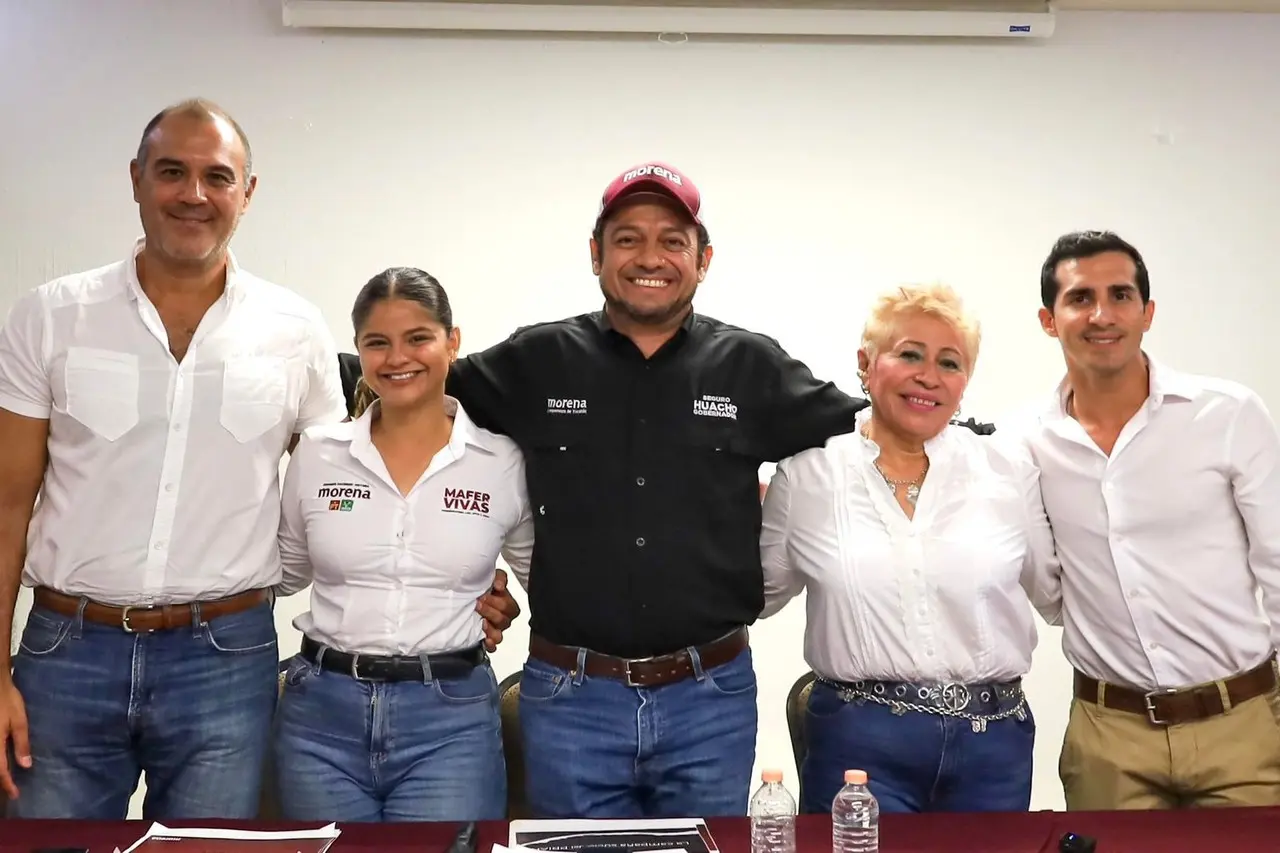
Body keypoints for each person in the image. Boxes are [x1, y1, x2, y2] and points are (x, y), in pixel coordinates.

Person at [440, 160, 874, 819]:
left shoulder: (751, 367)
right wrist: (449, 565)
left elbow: (872, 428)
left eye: (672, 240)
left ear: (703, 259)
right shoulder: (536, 360)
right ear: (595, 254)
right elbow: (409, 400)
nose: (650, 257)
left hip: (710, 698)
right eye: (627, 238)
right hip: (570, 698)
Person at [0, 98, 348, 819]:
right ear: (135, 179)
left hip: (225, 656)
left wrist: (454, 583)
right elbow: (6, 504)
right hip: (67, 652)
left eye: (217, 176)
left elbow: (340, 498)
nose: (194, 194)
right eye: (171, 172)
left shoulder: (295, 331)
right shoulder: (52, 315)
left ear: (247, 193)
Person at [759, 282, 1061, 814]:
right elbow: (754, 595)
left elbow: (1055, 593)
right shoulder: (808, 477)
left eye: (950, 362)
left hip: (993, 744)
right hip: (860, 744)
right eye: (910, 355)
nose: (929, 376)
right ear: (866, 363)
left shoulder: (1008, 472)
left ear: (965, 382)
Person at [1024, 230, 1280, 810]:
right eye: (1080, 298)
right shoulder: (1026, 443)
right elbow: (1046, 584)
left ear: (1148, 313)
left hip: (1243, 724)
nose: (1102, 314)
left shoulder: (1228, 414)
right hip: (1108, 737)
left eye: (1120, 295)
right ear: (1048, 319)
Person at [273, 267, 532, 822]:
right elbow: (283, 572)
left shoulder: (501, 462)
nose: (398, 358)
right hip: (321, 715)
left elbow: (548, 578)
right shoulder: (318, 454)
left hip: (450, 719)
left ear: (452, 341)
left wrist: (499, 604)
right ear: (359, 350)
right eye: (378, 343)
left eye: (418, 338)